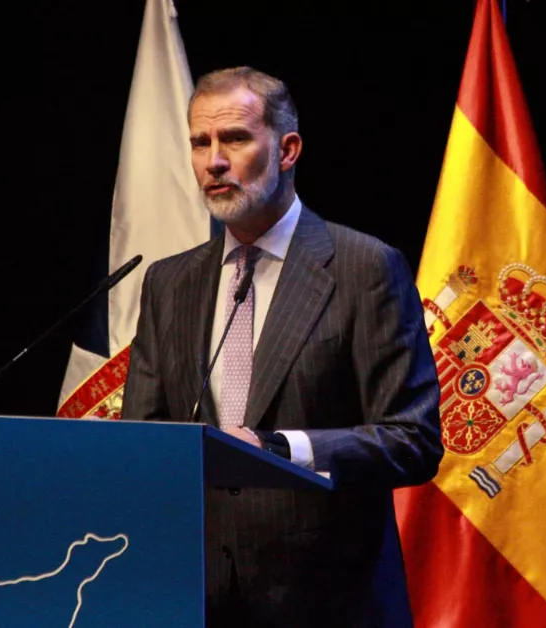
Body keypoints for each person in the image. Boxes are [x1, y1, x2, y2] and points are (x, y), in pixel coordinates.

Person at [119, 66, 443, 627]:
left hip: (327, 601)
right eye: (200, 143)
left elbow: (412, 439)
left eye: (236, 139)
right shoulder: (169, 283)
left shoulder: (365, 268)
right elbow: (146, 437)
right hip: (196, 600)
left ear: (288, 149)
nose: (214, 161)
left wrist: (279, 448)